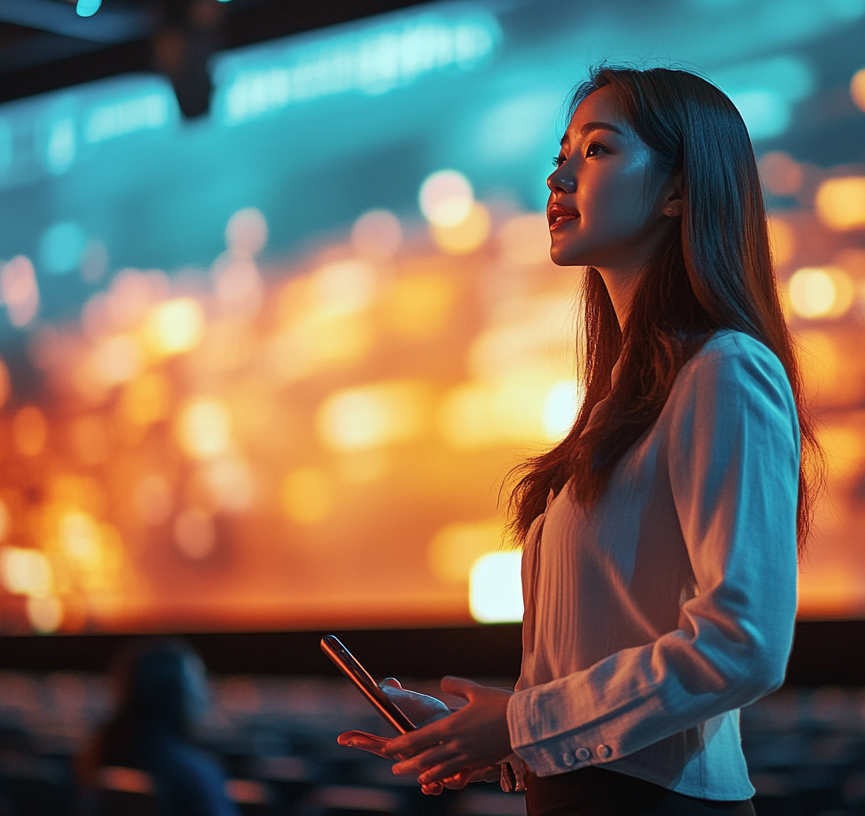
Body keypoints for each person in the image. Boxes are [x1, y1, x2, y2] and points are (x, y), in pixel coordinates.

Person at [339, 65, 820, 816]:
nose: (558, 174)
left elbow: (745, 645)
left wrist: (520, 724)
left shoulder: (724, 371)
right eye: (564, 151)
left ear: (677, 191)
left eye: (596, 151)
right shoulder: (623, 399)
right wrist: (492, 738)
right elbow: (599, 663)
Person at [80, 639, 239, 816]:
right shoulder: (196, 774)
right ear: (179, 693)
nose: (204, 693)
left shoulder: (102, 755)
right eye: (198, 682)